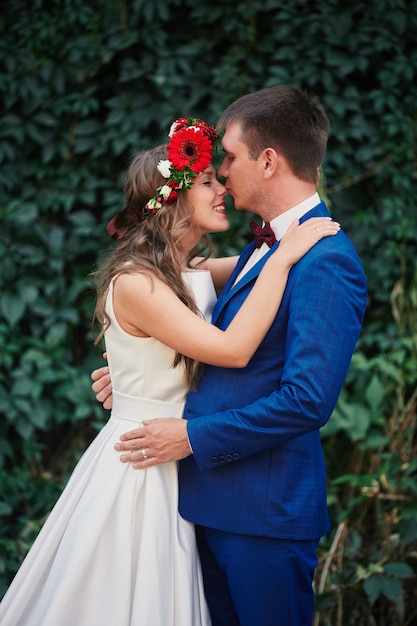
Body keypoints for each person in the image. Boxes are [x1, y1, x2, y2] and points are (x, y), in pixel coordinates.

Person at [0, 116, 338, 626]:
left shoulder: (191, 271)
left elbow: (253, 270)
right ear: (173, 197)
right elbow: (233, 346)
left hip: (185, 462)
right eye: (206, 181)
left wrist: (136, 372)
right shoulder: (139, 281)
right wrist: (287, 255)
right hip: (144, 463)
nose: (222, 185)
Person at [93, 86, 368, 626]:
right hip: (199, 502)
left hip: (262, 515)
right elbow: (186, 320)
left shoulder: (325, 261)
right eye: (211, 172)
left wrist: (193, 436)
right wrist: (130, 374)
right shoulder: (258, 249)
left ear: (268, 161)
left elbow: (307, 401)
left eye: (231, 159)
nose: (223, 172)